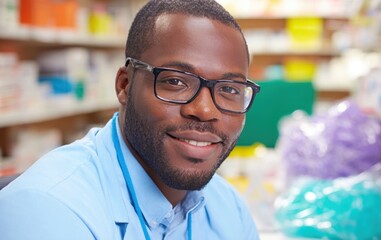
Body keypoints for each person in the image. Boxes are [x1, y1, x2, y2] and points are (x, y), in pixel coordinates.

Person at [0, 0, 261, 239]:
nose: (205, 110)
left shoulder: (229, 208)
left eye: (229, 89)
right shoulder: (48, 209)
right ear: (125, 85)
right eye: (176, 81)